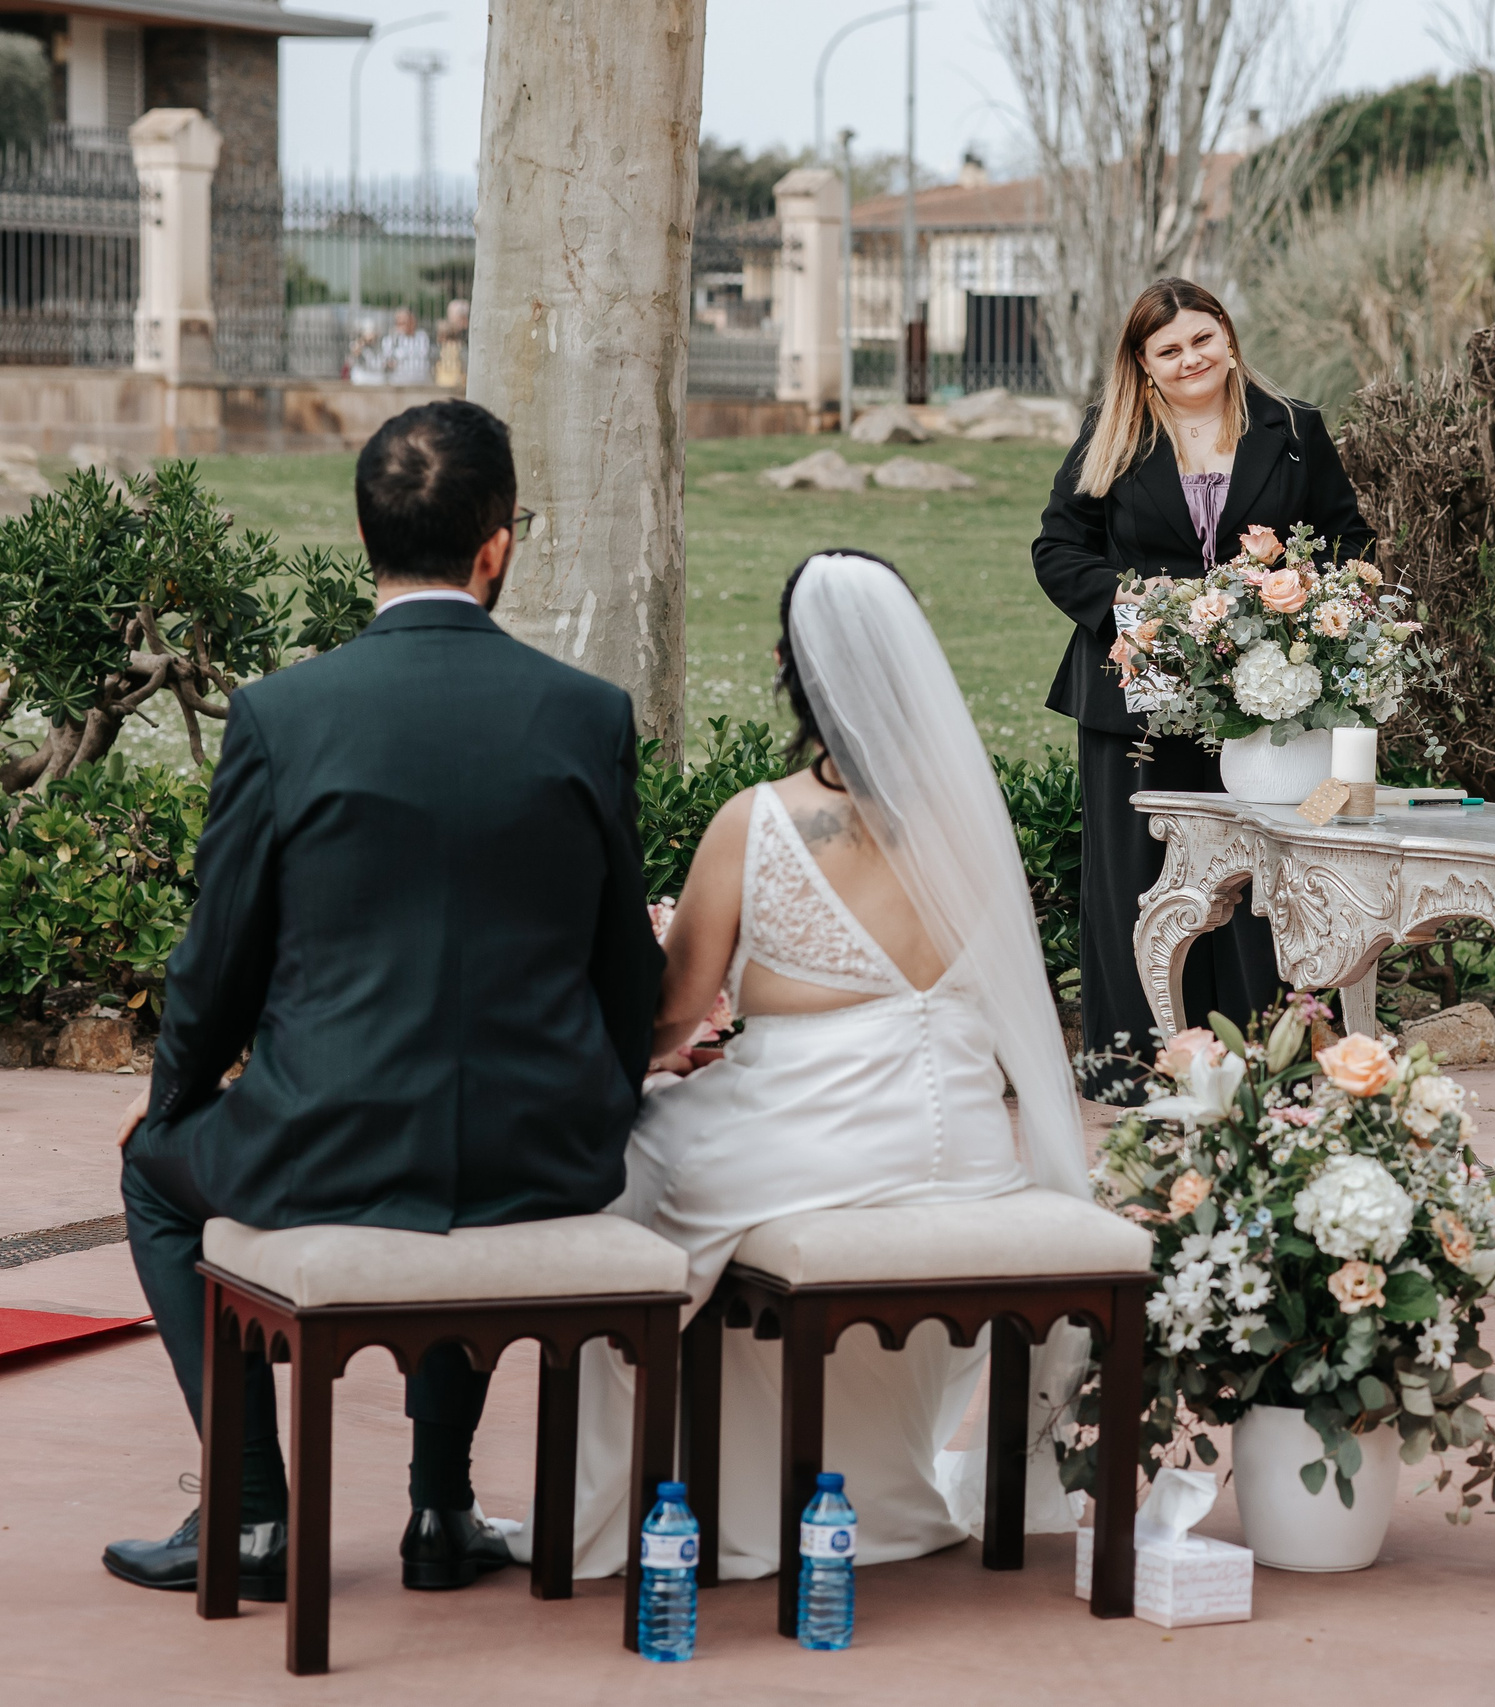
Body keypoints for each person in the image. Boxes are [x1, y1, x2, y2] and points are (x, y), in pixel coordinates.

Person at [105, 399, 664, 1599]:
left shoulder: (283, 716)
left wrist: (176, 1104)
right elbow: (626, 967)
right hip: (546, 1149)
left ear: (366, 538)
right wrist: (606, 1102)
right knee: (457, 1177)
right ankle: (440, 1507)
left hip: (329, 1141)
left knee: (155, 1176)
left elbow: (218, 964)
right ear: (498, 544)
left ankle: (253, 1516)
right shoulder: (587, 713)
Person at [567, 551, 1092, 1579]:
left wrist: (662, 1063)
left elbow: (671, 1016)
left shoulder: (757, 823)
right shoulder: (974, 828)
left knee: (621, 1191)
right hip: (969, 1155)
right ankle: (868, 1489)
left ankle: (654, 1500)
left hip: (814, 1145)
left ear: (783, 670)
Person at [1033, 277, 1373, 1095]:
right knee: (1140, 880)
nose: (1191, 360)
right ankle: (1138, 1068)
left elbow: (1348, 537)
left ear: (1228, 335)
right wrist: (1129, 604)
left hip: (1266, 698)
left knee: (1263, 875)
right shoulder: (1112, 431)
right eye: (1169, 350)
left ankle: (1271, 1064)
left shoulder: (1294, 428)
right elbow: (1058, 547)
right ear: (1144, 364)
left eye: (1202, 339)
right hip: (1137, 701)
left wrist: (1293, 600)